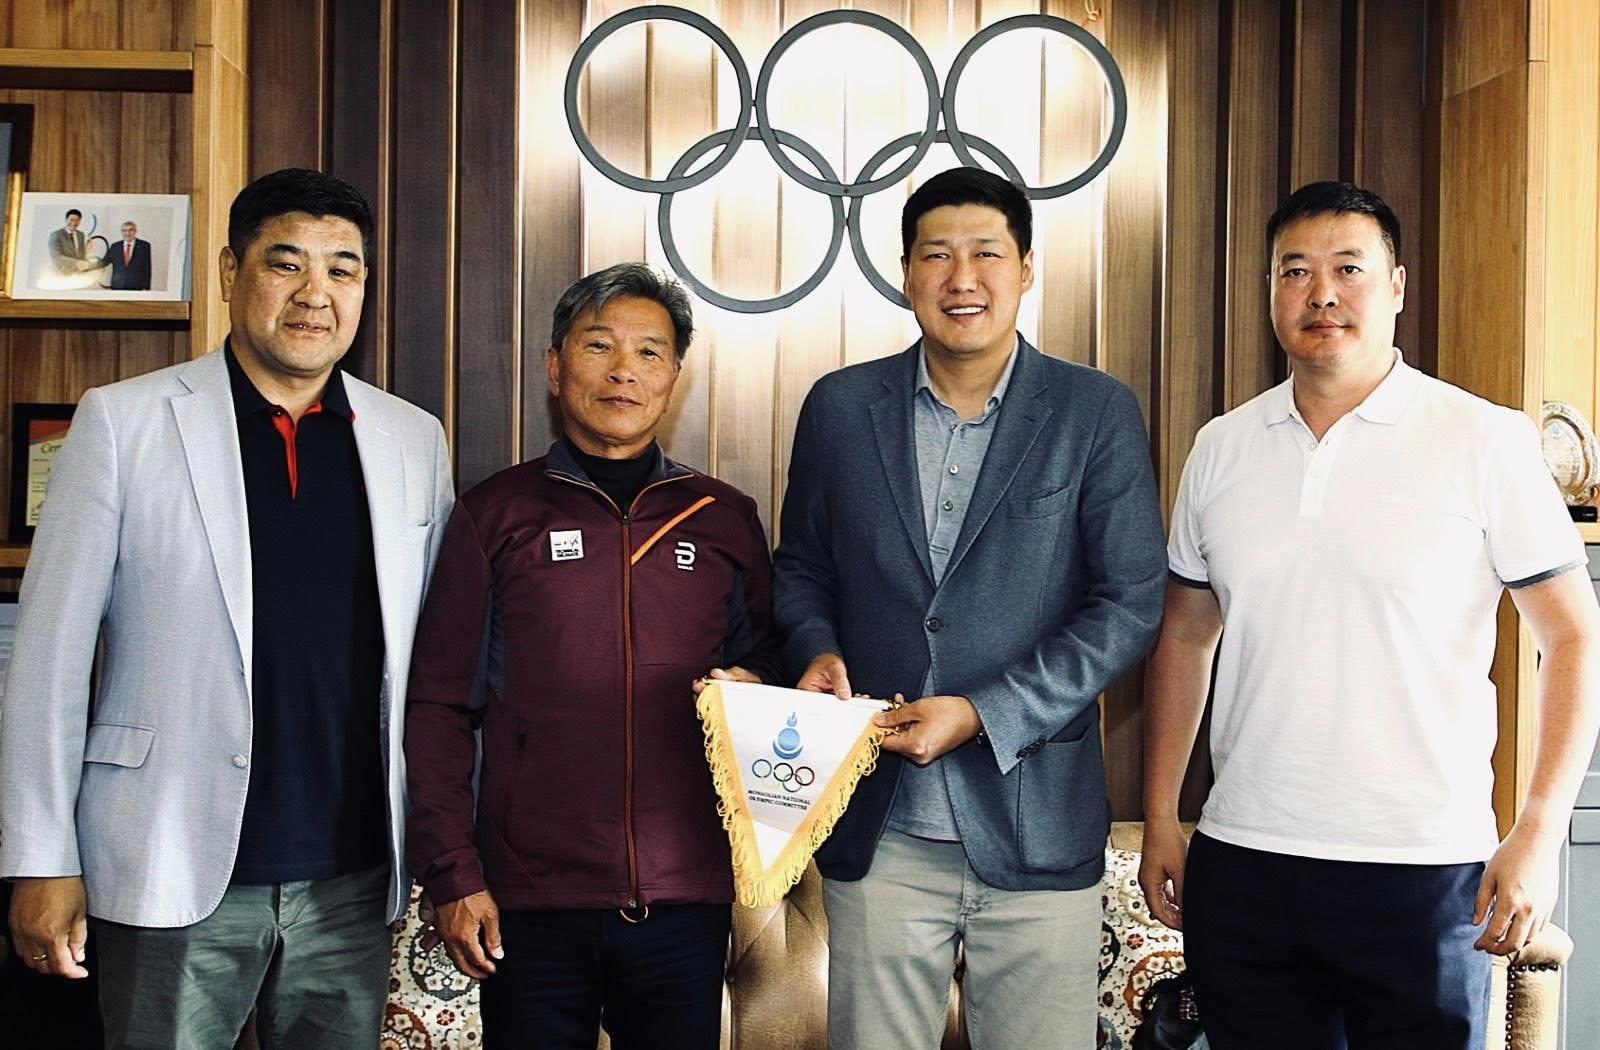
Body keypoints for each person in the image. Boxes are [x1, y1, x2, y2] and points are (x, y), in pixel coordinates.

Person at [0, 167, 456, 1048]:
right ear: (228, 272)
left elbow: (433, 663)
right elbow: (49, 659)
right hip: (168, 858)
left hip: (354, 875)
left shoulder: (412, 438)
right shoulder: (124, 423)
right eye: (286, 264)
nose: (315, 293)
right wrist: (40, 857)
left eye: (342, 269)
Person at [1139, 180, 1600, 1049]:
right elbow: (1186, 636)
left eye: (1348, 268)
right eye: (1295, 271)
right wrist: (1161, 812)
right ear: (1270, 291)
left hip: (1423, 868)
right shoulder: (1221, 447)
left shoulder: (1484, 439)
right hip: (1246, 861)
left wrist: (1538, 828)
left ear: (1395, 286)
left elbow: (1574, 635)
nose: (1321, 292)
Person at [772, 166, 1167, 1048]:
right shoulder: (840, 408)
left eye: (986, 253)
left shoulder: (1094, 410)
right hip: (879, 826)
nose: (962, 277)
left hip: (1039, 822)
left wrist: (986, 713)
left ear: (1025, 268)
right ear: (905, 273)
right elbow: (801, 569)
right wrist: (815, 648)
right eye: (936, 254)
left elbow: (1130, 603)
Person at [404, 262, 781, 1049]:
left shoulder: (723, 518)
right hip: (529, 902)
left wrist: (756, 685)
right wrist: (453, 872)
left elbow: (769, 673)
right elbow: (438, 706)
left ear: (674, 376)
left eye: (649, 353)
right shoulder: (494, 514)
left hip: (684, 898)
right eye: (598, 345)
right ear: (555, 366)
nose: (623, 371)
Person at [105, 220, 152, 290]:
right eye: (124, 230)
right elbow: (105, 261)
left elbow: (147, 268)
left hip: (136, 287)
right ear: (121, 232)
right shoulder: (115, 246)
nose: (127, 233)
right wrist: (89, 265)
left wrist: (146, 288)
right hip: (118, 286)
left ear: (135, 231)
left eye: (130, 230)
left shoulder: (144, 246)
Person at [47, 208, 89, 275]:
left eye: (77, 220)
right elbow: (56, 257)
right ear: (66, 219)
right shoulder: (56, 235)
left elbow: (81, 256)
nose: (74, 223)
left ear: (80, 221)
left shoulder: (81, 235)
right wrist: (76, 263)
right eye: (71, 220)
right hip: (61, 274)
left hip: (78, 275)